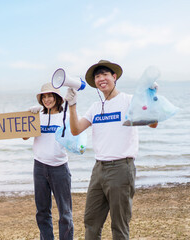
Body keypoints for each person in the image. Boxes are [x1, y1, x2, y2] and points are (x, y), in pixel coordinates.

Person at [65, 60, 158, 240]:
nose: (101, 79)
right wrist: (72, 105)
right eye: (97, 76)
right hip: (99, 169)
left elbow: (153, 123)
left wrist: (151, 96)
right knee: (91, 221)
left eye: (105, 74)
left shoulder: (129, 101)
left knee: (119, 224)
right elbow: (76, 129)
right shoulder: (94, 107)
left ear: (114, 77)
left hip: (122, 168)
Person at [25, 82, 74, 240]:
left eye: (50, 96)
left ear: (57, 98)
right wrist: (29, 116)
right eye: (44, 97)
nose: (47, 99)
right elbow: (24, 135)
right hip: (39, 167)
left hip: (59, 168)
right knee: (42, 212)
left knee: (65, 212)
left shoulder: (65, 114)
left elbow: (75, 131)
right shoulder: (37, 116)